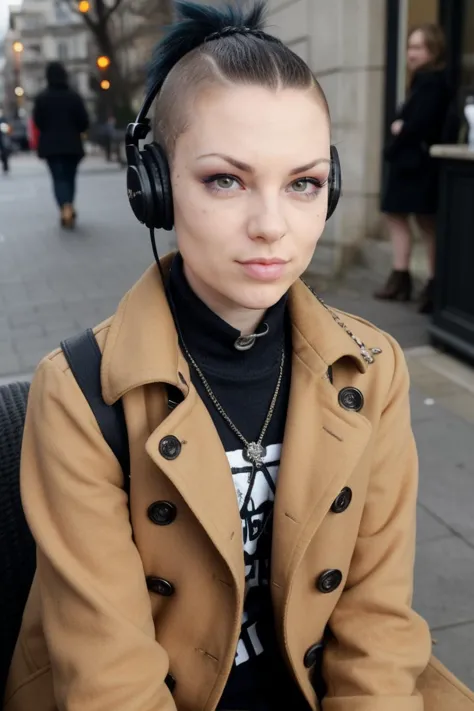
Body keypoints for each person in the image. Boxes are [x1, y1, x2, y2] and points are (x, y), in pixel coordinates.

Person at [4, 2, 436, 710]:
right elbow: (112, 683)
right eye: (225, 180)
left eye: (302, 183)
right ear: (155, 187)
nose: (272, 226)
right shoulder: (80, 393)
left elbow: (377, 623)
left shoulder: (374, 368)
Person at [375, 23, 452, 313]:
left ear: (433, 50)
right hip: (412, 164)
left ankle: (424, 284)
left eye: (418, 47)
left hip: (416, 165)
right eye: (409, 47)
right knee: (405, 219)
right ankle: (404, 278)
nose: (410, 53)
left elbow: (421, 124)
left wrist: (401, 127)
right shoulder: (424, 81)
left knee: (423, 223)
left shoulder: (432, 82)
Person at [33, 61, 89, 229]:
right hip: (72, 145)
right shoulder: (74, 96)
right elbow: (84, 122)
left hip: (51, 146)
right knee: (70, 178)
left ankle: (64, 207)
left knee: (58, 178)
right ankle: (69, 205)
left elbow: (38, 122)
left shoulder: (42, 98)